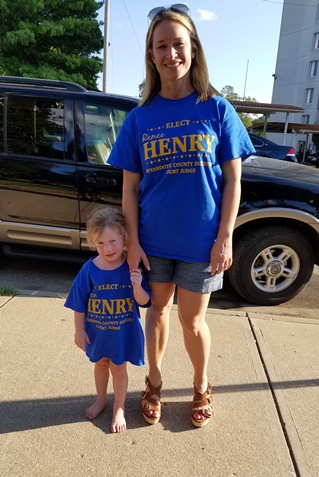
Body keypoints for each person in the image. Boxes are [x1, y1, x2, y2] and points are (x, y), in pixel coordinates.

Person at [108, 4, 255, 428]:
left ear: (193, 48)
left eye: (178, 44)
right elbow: (130, 188)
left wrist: (225, 236)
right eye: (161, 46)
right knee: (155, 314)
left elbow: (233, 182)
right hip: (153, 242)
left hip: (200, 243)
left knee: (193, 322)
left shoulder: (218, 110)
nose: (170, 53)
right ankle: (153, 383)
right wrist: (133, 241)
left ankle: (201, 385)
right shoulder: (140, 118)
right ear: (151, 56)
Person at [64, 206, 151, 433]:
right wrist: (78, 330)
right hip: (97, 332)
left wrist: (137, 285)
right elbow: (78, 302)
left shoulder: (132, 267)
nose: (107, 248)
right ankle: (101, 399)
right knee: (100, 364)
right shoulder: (89, 269)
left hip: (122, 334)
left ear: (124, 237)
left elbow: (143, 302)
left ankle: (119, 407)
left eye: (112, 241)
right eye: (100, 243)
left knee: (118, 368)